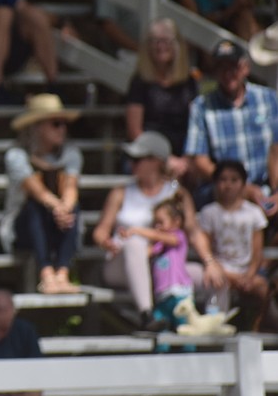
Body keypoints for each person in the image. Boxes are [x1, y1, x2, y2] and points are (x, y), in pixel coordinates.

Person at [92, 132, 221, 330]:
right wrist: (106, 242)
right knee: (135, 243)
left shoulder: (177, 193)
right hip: (123, 264)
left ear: (156, 161)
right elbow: (100, 231)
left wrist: (210, 262)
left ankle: (215, 322)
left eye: (137, 159)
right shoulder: (121, 192)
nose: (131, 164)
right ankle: (147, 314)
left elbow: (194, 232)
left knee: (211, 277)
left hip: (162, 265)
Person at [183, 39, 278, 215]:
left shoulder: (270, 99)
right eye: (221, 68)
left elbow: (276, 149)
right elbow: (198, 160)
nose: (227, 73)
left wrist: (276, 191)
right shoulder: (201, 107)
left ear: (245, 68)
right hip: (223, 188)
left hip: (267, 186)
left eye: (232, 67)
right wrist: (239, 186)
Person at [2, 94, 82, 293]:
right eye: (56, 123)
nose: (62, 129)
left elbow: (71, 187)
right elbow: (35, 190)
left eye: (64, 124)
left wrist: (64, 208)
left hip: (57, 224)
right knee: (34, 207)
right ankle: (46, 274)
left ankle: (62, 274)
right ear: (36, 126)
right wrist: (59, 208)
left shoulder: (71, 153)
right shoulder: (16, 155)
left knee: (74, 207)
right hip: (24, 229)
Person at [197, 160, 270, 329]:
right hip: (221, 270)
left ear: (243, 184)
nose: (228, 185)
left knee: (264, 290)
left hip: (247, 272)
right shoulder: (209, 213)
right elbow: (207, 246)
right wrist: (229, 275)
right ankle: (214, 327)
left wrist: (250, 275)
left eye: (234, 180)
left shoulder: (254, 213)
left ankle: (257, 328)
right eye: (223, 180)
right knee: (216, 283)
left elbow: (257, 250)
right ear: (215, 184)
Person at [125, 18, 198, 179]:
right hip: (148, 153)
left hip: (183, 155)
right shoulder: (139, 82)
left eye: (166, 41)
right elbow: (134, 131)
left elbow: (196, 125)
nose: (160, 46)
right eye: (155, 41)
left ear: (177, 45)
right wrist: (166, 159)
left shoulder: (189, 82)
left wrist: (186, 159)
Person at [119, 194, 193, 335]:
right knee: (160, 330)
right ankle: (162, 353)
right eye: (155, 223)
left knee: (184, 328)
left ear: (176, 222)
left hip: (180, 294)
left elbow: (159, 236)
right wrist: (123, 240)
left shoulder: (178, 236)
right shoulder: (158, 245)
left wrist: (136, 230)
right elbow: (143, 255)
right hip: (162, 295)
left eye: (161, 222)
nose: (157, 227)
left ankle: (188, 353)